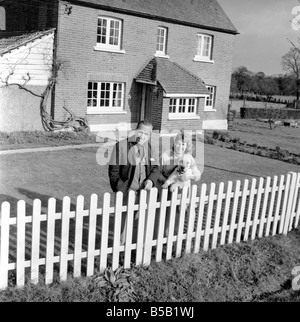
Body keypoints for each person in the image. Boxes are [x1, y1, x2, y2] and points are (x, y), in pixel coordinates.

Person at [108, 120, 160, 243]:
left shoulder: (151, 148)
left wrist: (151, 181)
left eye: (146, 134)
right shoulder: (121, 146)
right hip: (127, 190)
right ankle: (120, 251)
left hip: (144, 192)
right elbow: (113, 170)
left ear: (150, 135)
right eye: (140, 132)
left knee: (140, 221)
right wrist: (118, 187)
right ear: (135, 130)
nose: (142, 136)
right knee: (123, 223)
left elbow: (156, 168)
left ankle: (135, 250)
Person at [159, 130, 202, 236]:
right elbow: (157, 173)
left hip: (183, 192)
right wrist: (168, 182)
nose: (180, 146)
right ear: (174, 143)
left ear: (187, 145)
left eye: (183, 144)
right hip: (167, 191)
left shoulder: (188, 157)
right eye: (178, 143)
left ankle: (175, 237)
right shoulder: (165, 156)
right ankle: (163, 237)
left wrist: (193, 177)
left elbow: (197, 173)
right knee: (166, 215)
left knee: (180, 215)